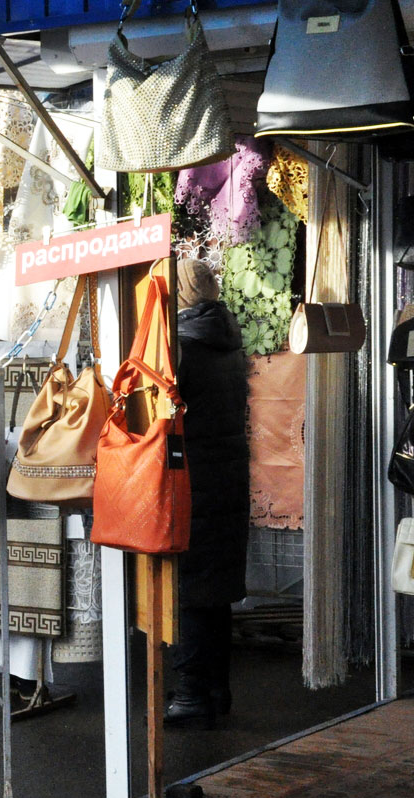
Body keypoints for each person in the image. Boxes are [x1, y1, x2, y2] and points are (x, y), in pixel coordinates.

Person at [167, 258, 249, 728]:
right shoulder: (225, 341)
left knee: (192, 588)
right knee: (213, 591)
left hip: (194, 477)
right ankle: (216, 689)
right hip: (226, 476)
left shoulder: (181, 346)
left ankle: (194, 693)